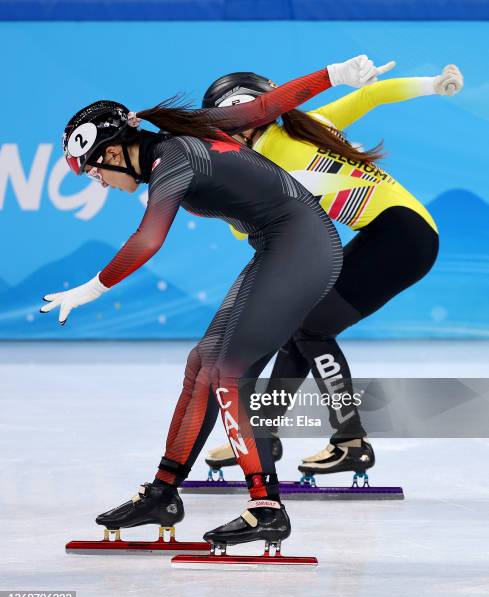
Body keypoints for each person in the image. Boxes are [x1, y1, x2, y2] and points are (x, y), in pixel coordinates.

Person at [40, 56, 392, 552]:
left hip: (302, 250)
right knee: (202, 363)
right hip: (280, 247)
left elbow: (147, 242)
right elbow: (266, 106)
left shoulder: (172, 159)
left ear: (116, 153)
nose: (96, 181)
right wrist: (331, 76)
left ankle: (266, 507)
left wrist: (91, 288)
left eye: (93, 169)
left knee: (229, 371)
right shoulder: (180, 141)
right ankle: (163, 491)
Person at [202, 64, 463, 483]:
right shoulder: (308, 123)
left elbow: (242, 230)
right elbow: (369, 96)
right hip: (402, 230)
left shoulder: (266, 159)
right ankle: (263, 435)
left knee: (308, 329)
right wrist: (432, 84)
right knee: (300, 327)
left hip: (397, 238)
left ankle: (351, 442)